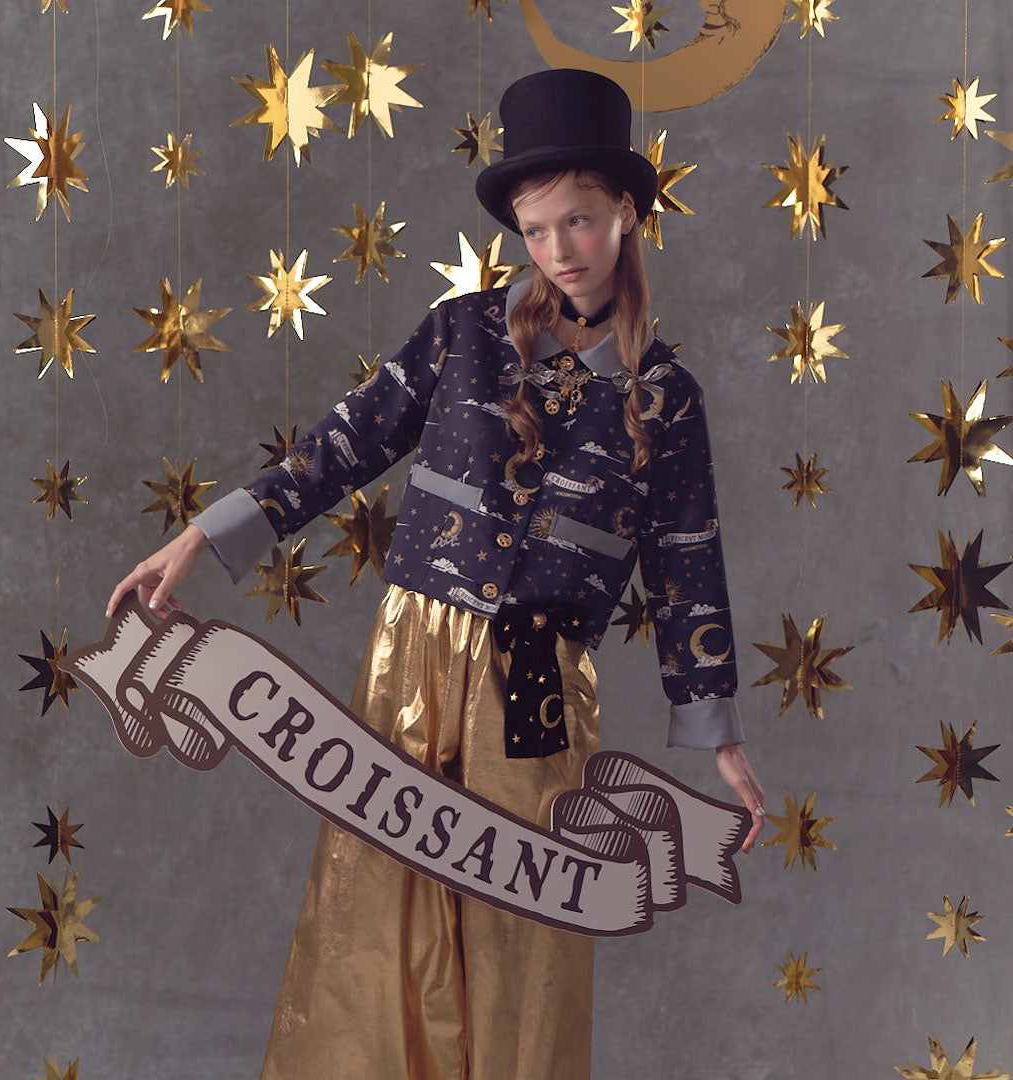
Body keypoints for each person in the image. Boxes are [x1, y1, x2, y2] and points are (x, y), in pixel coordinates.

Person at [106, 67, 765, 1080]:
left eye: (580, 222)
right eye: (536, 230)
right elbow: (343, 444)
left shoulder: (667, 397)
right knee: (377, 912)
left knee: (524, 932)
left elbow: (688, 565)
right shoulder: (463, 333)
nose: (559, 249)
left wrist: (718, 737)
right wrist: (202, 536)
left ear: (627, 214)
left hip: (537, 678)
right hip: (413, 652)